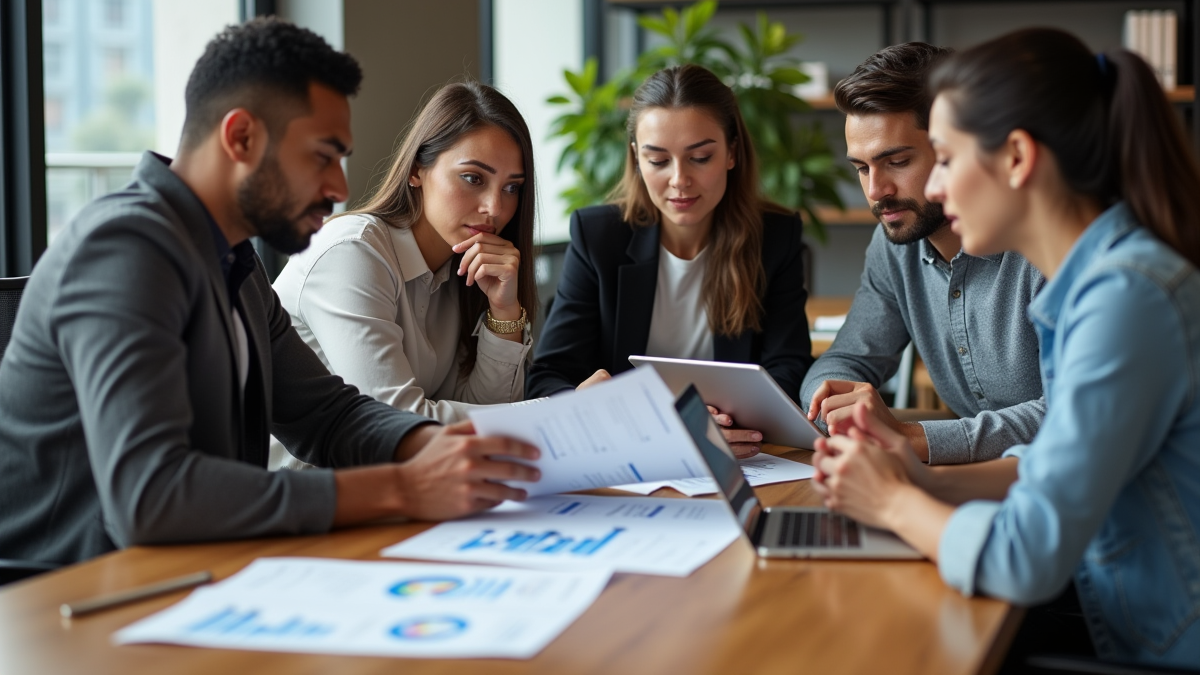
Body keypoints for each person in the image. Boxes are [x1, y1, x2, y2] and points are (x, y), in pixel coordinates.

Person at [0, 18, 540, 567]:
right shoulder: (124, 250)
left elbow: (326, 415)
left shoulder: (235, 262)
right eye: (322, 156)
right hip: (68, 591)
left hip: (181, 574)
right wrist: (403, 487)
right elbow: (151, 496)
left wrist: (436, 446)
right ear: (240, 137)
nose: (339, 187)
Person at [812, 28, 1200, 667]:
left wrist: (894, 502)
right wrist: (916, 476)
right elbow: (1048, 463)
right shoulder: (1097, 281)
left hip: (1151, 643)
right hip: (1113, 605)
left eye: (945, 158)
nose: (936, 189)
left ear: (1016, 158)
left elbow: (1026, 556)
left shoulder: (1125, 298)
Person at [528, 64, 813, 458]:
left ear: (732, 152)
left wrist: (724, 425)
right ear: (636, 158)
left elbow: (788, 367)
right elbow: (548, 378)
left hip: (736, 455)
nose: (679, 179)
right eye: (658, 161)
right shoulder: (599, 237)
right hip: (631, 455)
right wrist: (592, 406)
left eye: (700, 157)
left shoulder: (775, 237)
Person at [800, 43, 1045, 465]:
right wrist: (834, 404)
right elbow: (848, 357)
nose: (876, 191)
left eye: (897, 161)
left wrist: (916, 438)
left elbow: (1075, 415)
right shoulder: (894, 243)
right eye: (862, 168)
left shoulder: (1048, 245)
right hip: (991, 480)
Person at [272, 82, 542, 441]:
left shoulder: (461, 269)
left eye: (512, 187)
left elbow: (480, 410)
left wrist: (504, 313)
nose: (495, 208)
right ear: (416, 170)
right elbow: (396, 422)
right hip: (308, 477)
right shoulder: (352, 252)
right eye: (473, 178)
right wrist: (550, 413)